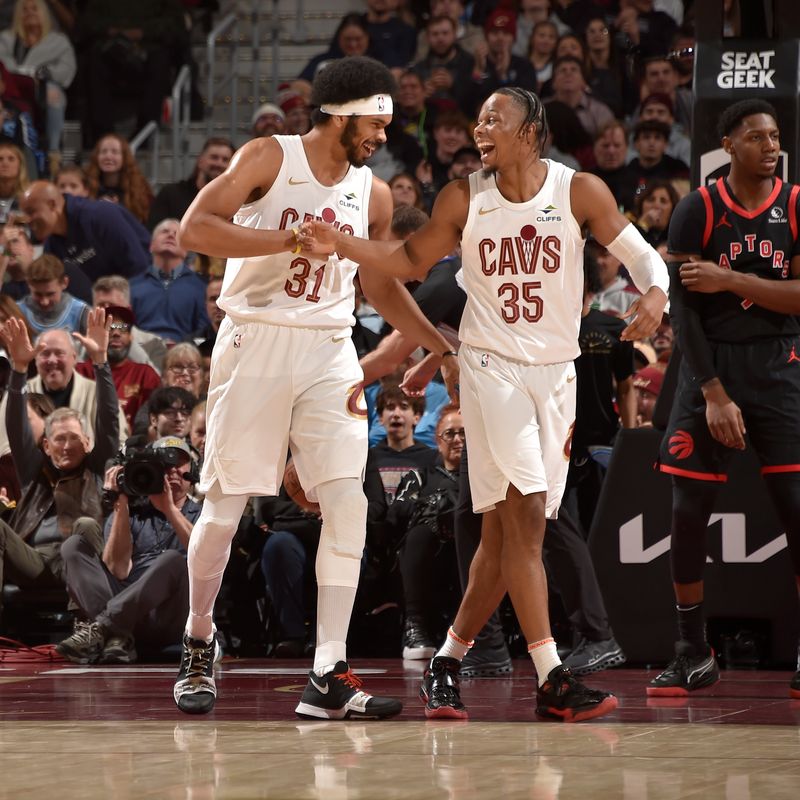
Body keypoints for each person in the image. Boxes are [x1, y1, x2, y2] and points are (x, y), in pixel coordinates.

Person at [301, 85, 668, 721]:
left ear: (531, 131)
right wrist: (344, 243)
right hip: (491, 369)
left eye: (494, 119)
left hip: (557, 378)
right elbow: (410, 259)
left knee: (503, 539)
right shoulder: (463, 197)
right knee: (526, 517)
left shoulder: (577, 191)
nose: (480, 129)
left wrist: (656, 293)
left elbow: (639, 255)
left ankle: (445, 662)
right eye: (478, 120)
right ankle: (552, 678)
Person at [172, 56, 459, 719]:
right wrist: (284, 239)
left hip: (330, 346)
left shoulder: (373, 193)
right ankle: (197, 637)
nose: (383, 137)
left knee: (347, 503)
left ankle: (328, 669)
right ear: (341, 113)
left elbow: (381, 280)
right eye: (375, 123)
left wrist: (431, 339)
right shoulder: (270, 156)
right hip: (255, 338)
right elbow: (194, 229)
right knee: (223, 508)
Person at [650, 99, 800, 698]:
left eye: (776, 137)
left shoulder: (795, 204)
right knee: (686, 516)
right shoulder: (697, 208)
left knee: (797, 510)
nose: (771, 147)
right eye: (758, 137)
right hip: (709, 367)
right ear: (728, 145)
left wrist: (734, 280)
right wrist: (711, 391)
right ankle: (692, 650)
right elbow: (684, 312)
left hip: (779, 365)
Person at [54, 436, 201, 665]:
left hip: (171, 614)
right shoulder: (132, 512)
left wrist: (169, 509)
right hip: (129, 612)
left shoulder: (203, 514)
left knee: (172, 560)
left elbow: (203, 557)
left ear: (192, 471)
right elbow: (117, 569)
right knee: (73, 547)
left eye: (179, 462)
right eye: (164, 463)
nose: (172, 470)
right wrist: (120, 501)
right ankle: (119, 635)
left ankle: (103, 627)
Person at [19, 181, 151, 282]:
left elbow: (139, 268)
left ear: (52, 205)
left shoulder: (101, 215)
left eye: (31, 212)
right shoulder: (52, 244)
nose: (27, 220)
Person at [0, 0, 76, 156]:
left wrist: (42, 76)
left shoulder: (58, 41)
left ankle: (54, 152)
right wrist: (29, 75)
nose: (30, 12)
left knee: (54, 94)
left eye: (34, 9)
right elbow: (3, 64)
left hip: (42, 90)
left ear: (45, 13)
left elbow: (66, 70)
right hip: (10, 87)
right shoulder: (5, 38)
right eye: (25, 9)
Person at [147, 137, 234, 229]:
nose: (219, 163)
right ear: (200, 161)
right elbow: (154, 233)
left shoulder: (235, 203)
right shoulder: (171, 194)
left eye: (225, 160)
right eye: (214, 157)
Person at [85, 133, 154, 225]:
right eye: (104, 152)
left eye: (114, 152)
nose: (108, 156)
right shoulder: (85, 185)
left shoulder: (140, 188)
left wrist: (117, 210)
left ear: (124, 157)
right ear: (97, 157)